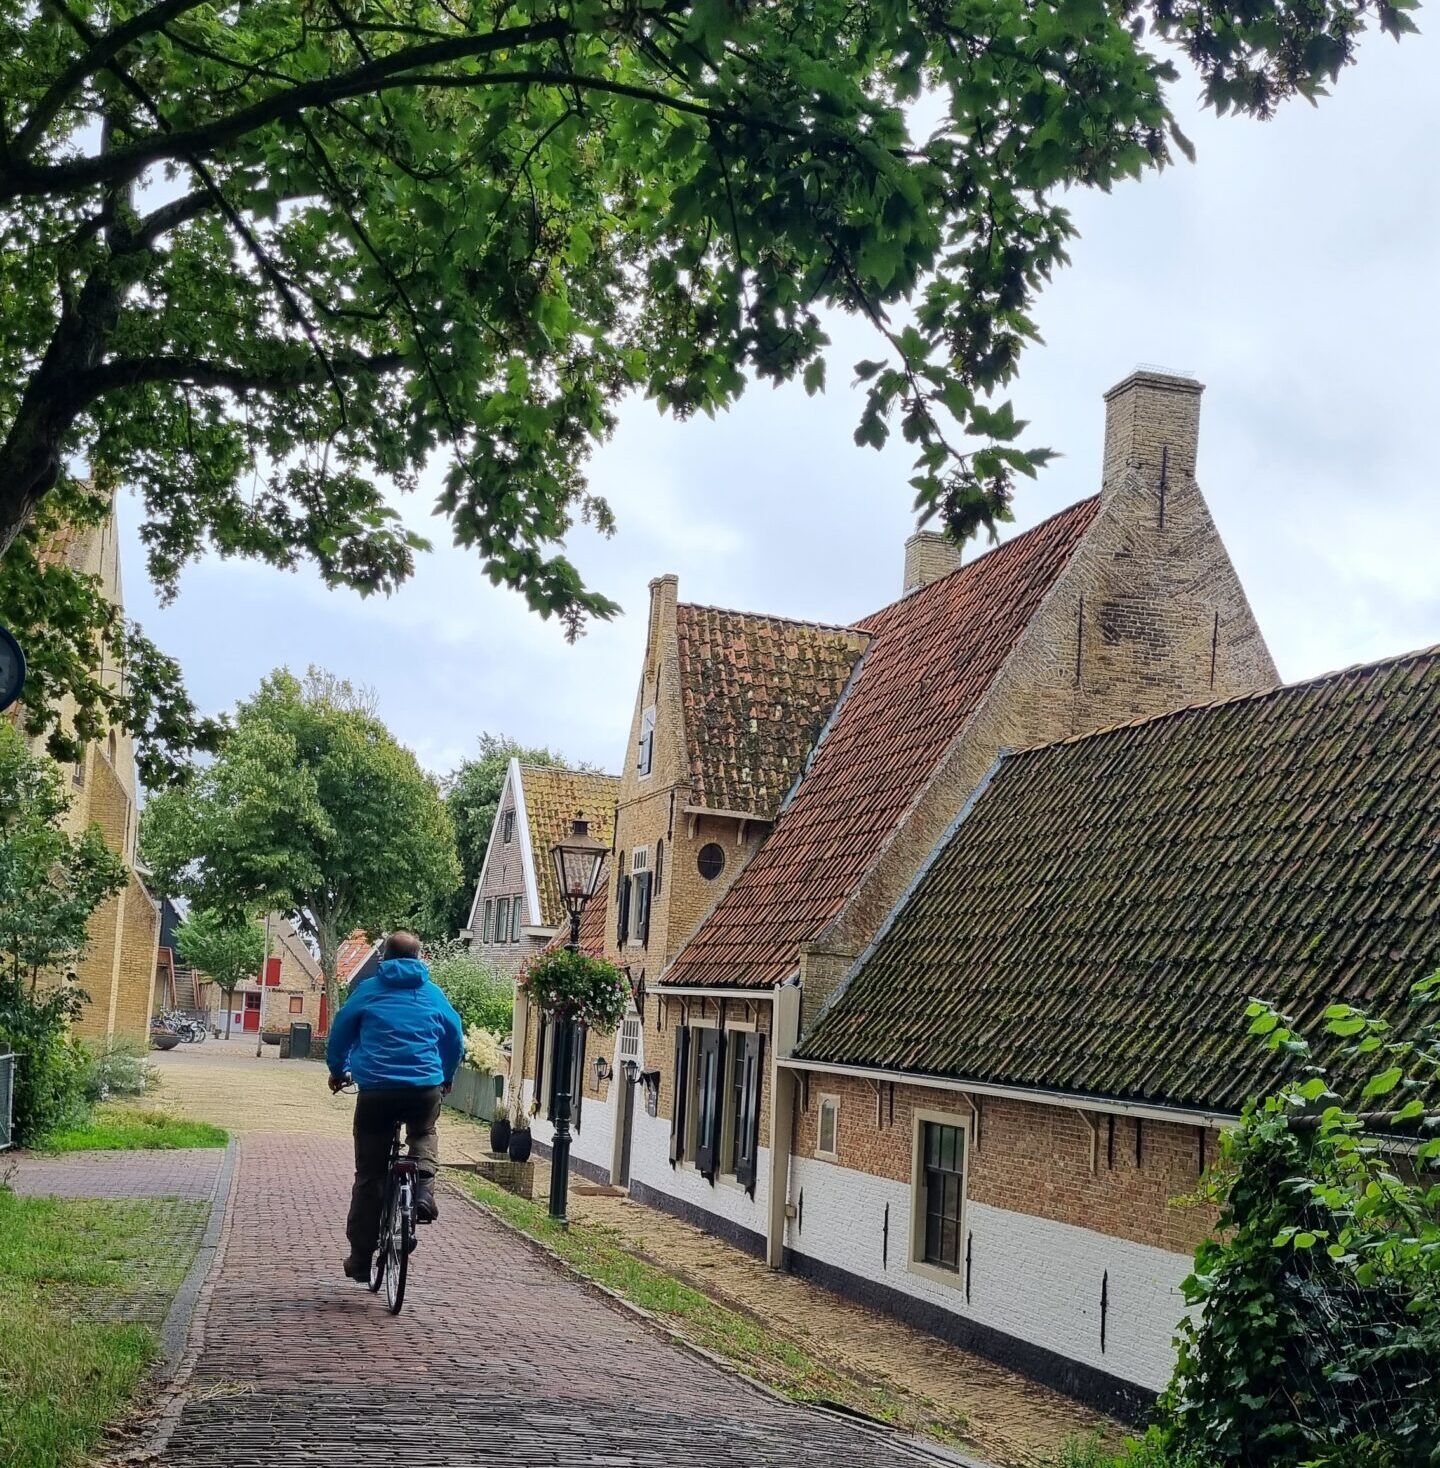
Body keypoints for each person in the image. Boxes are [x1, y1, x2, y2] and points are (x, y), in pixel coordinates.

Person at [326, 930, 463, 1282]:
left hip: (377, 1092)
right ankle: (423, 1192)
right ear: (420, 958)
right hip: (423, 1088)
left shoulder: (368, 991)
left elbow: (341, 1031)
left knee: (369, 1176)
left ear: (383, 958)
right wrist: (445, 1075)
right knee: (424, 1131)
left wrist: (338, 1070)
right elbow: (454, 1039)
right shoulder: (433, 994)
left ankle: (359, 1259)